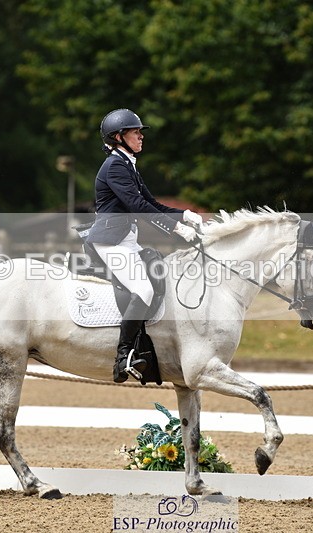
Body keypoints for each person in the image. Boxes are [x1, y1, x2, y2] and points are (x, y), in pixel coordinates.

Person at [85, 108, 202, 383]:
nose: (141, 136)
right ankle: (123, 356)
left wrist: (183, 214)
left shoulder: (128, 165)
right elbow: (136, 206)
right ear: (118, 137)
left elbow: (153, 204)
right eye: (135, 132)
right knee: (143, 288)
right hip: (110, 243)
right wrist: (177, 229)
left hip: (127, 242)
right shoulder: (114, 166)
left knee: (161, 274)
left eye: (139, 132)